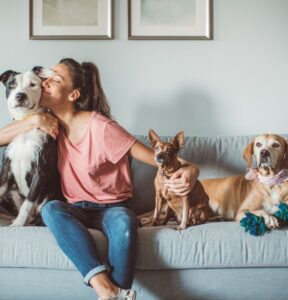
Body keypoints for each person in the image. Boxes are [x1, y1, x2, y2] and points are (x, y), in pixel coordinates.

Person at [0, 58, 200, 300]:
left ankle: (113, 293)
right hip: (75, 208)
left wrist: (192, 170)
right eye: (47, 77)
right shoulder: (46, 122)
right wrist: (33, 120)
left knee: (125, 223)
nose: (46, 82)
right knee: (51, 209)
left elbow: (158, 159)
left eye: (55, 79)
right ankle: (107, 290)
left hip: (112, 208)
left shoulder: (102, 127)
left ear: (73, 94)